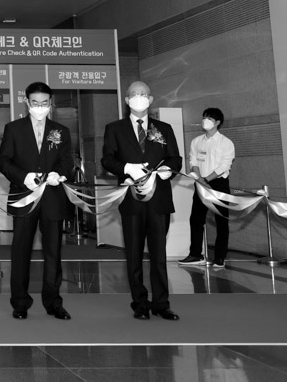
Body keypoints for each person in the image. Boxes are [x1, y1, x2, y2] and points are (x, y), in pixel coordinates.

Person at [101, 80, 182, 321]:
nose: (139, 97)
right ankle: (140, 303)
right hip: (131, 199)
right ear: (127, 100)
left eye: (144, 94)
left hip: (159, 199)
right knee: (134, 254)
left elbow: (175, 159)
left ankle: (162, 303)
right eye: (134, 94)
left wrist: (168, 170)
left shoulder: (164, 128)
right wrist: (126, 168)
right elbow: (107, 159)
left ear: (151, 99)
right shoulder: (114, 128)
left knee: (158, 255)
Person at [0, 82, 74, 321]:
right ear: (27, 102)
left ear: (51, 103)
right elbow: (4, 161)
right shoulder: (14, 129)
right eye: (35, 103)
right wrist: (24, 177)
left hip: (52, 198)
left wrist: (58, 174)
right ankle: (20, 302)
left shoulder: (61, 131)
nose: (40, 107)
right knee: (21, 251)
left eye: (44, 103)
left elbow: (67, 161)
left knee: (53, 252)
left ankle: (53, 302)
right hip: (24, 196)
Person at [179, 108, 235, 269]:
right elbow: (193, 161)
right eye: (204, 117)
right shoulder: (196, 141)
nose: (205, 121)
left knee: (221, 221)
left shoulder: (226, 142)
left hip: (218, 184)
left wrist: (206, 179)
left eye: (209, 118)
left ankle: (220, 257)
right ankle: (195, 254)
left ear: (217, 122)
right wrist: (200, 179)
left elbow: (224, 166)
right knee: (196, 219)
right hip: (200, 183)